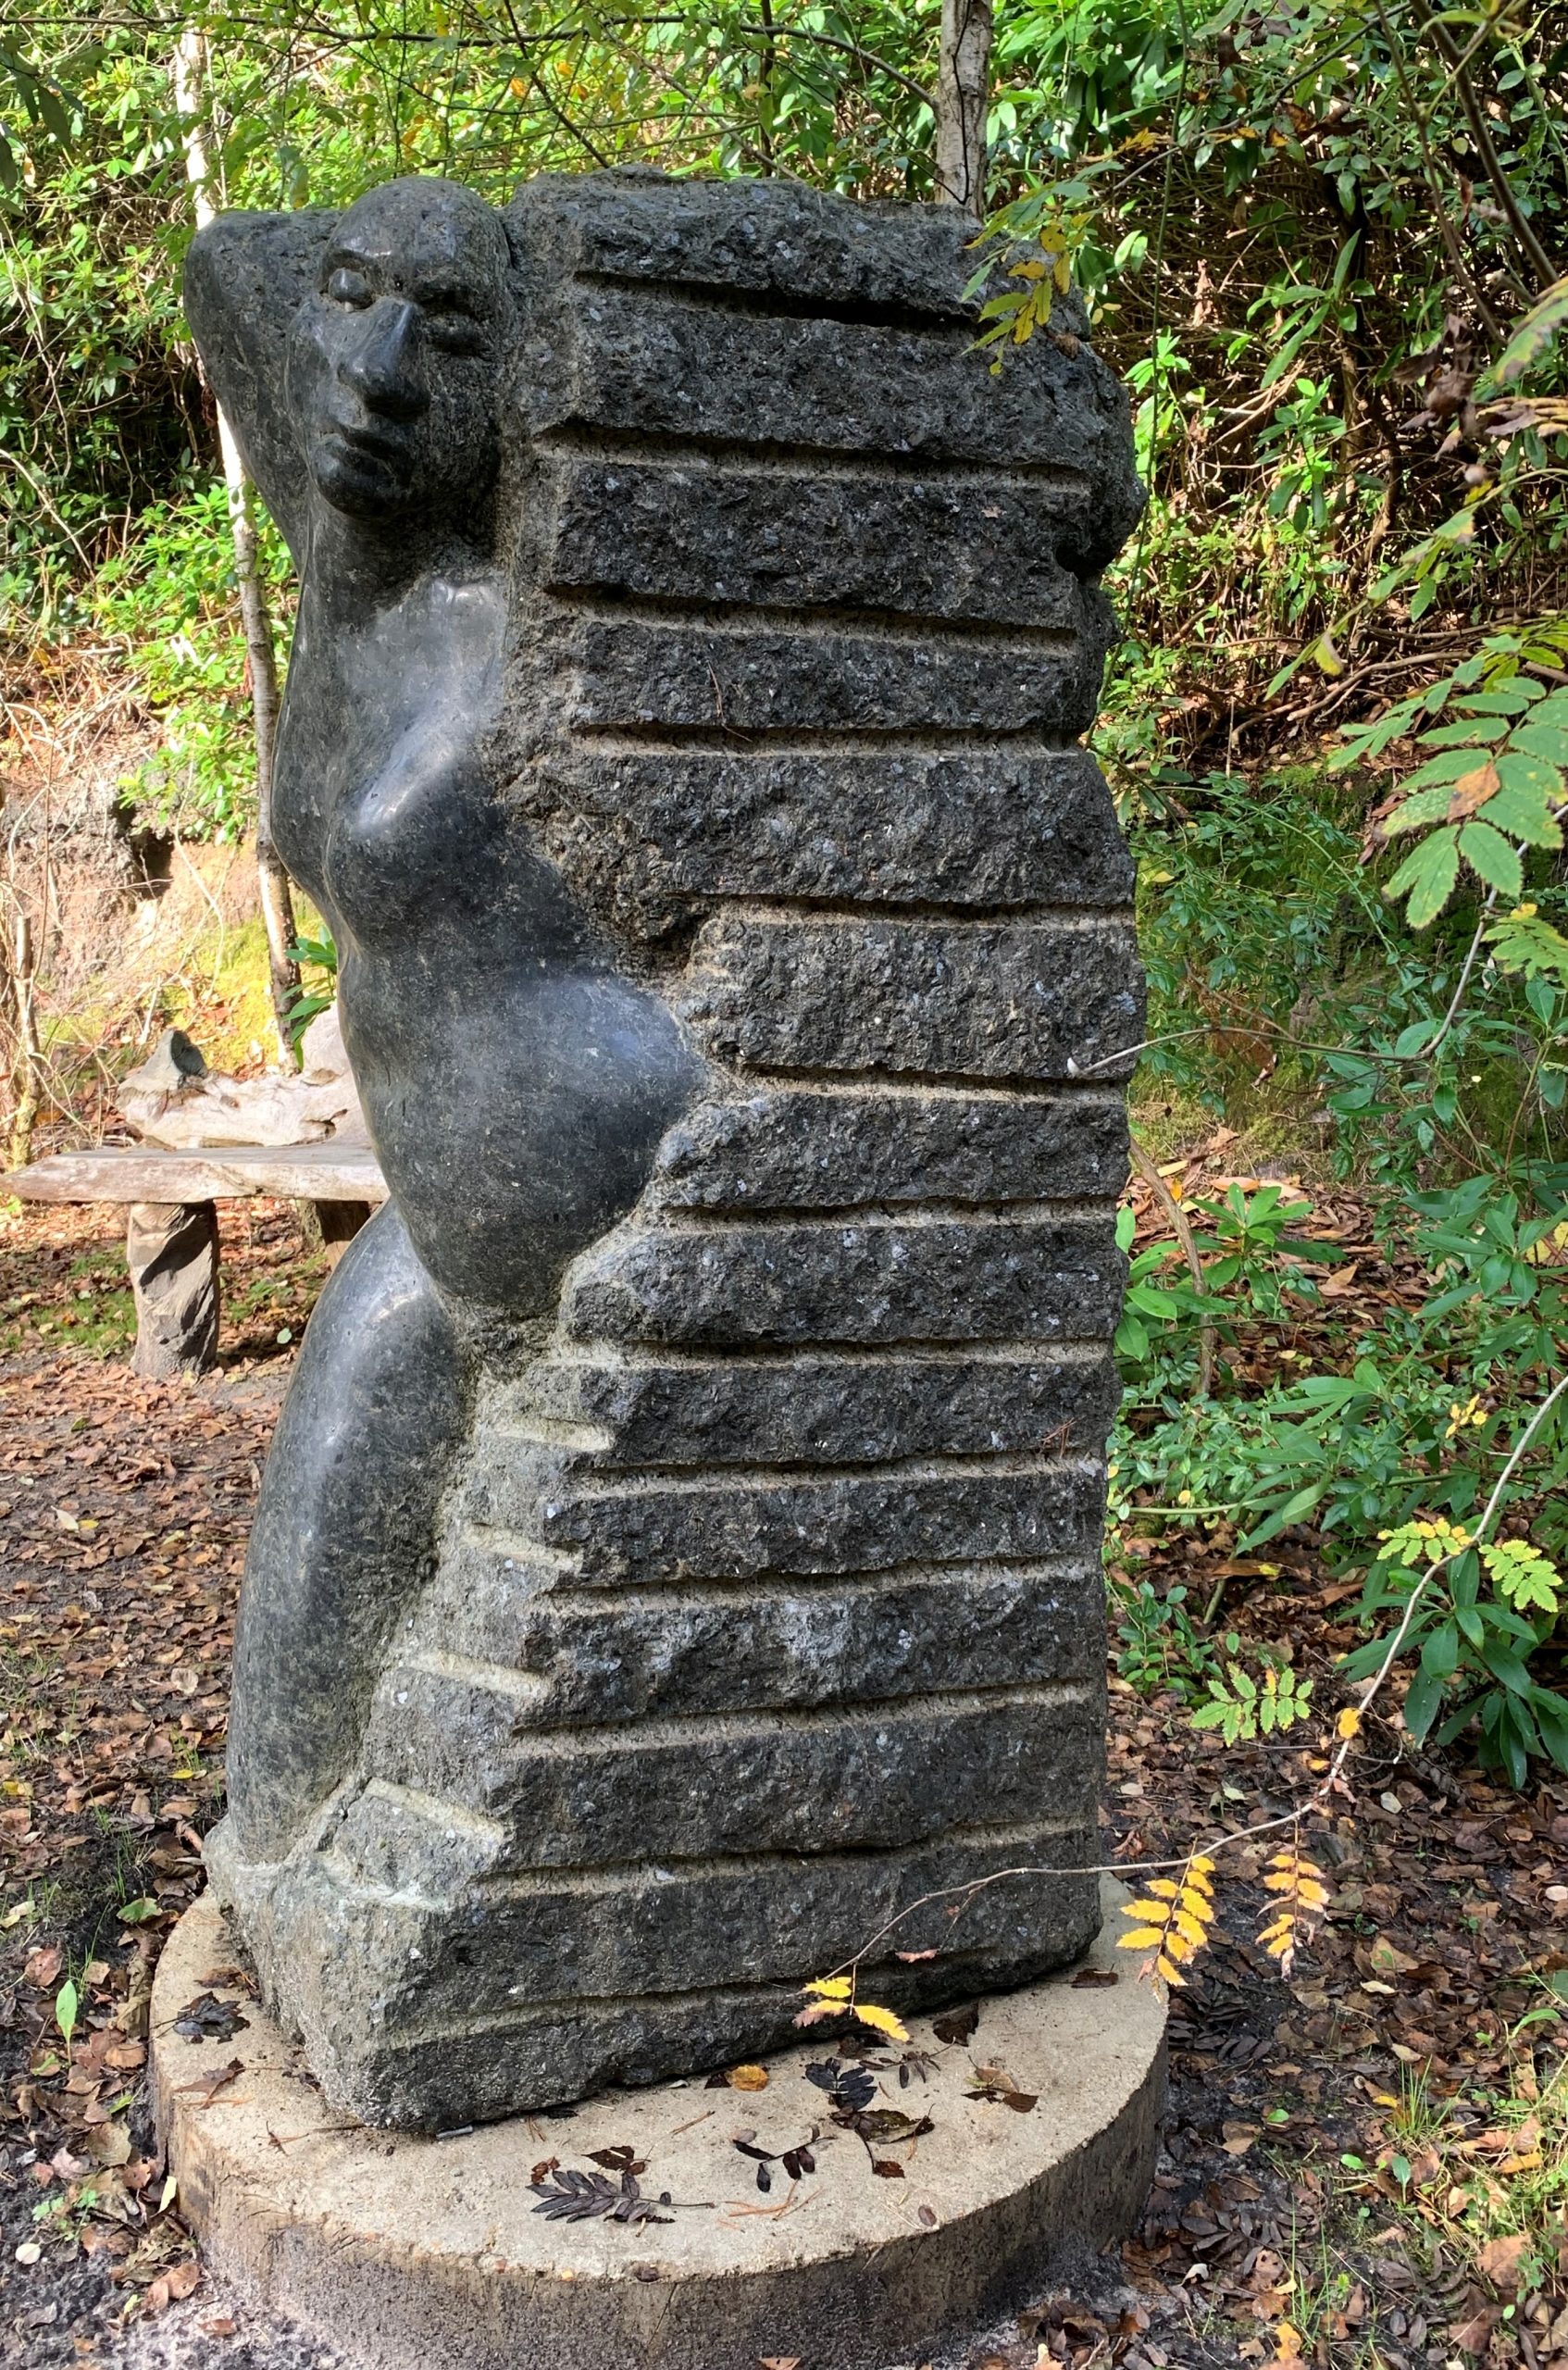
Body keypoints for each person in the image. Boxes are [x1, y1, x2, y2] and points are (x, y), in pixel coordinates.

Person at [185, 177, 703, 1865]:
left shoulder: (559, 618)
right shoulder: (344, 585)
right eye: (353, 301)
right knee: (282, 1767)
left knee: (380, 1748)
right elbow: (224, 262)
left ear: (529, 384)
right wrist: (406, 273)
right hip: (441, 1231)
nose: (382, 370)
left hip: (610, 1222)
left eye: (454, 335)